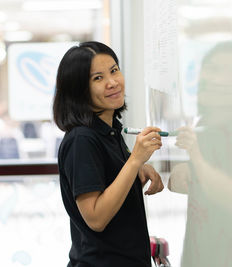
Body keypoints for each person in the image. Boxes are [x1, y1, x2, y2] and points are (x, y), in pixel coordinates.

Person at [53, 41, 164, 267]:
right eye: (98, 78)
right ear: (79, 89)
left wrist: (137, 170)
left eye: (114, 70)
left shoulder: (109, 129)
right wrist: (134, 161)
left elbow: (109, 185)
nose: (112, 83)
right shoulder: (82, 139)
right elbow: (96, 218)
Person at [168, 41, 232, 267]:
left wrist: (196, 159)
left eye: (218, 70)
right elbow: (181, 184)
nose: (207, 77)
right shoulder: (206, 126)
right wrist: (185, 170)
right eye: (208, 68)